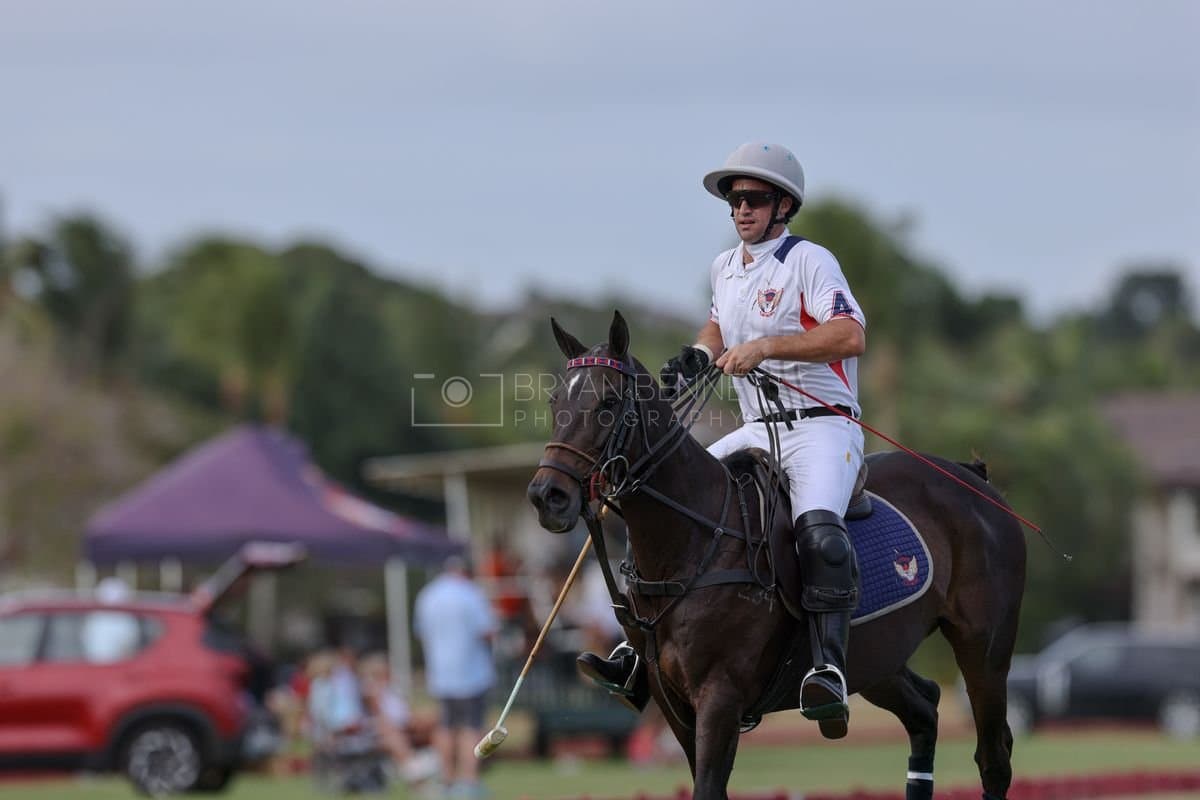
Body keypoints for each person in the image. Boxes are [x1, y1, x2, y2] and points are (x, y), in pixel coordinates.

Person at [576, 141, 866, 740]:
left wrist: (767, 347)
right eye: (734, 200)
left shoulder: (810, 261)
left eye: (755, 199)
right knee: (654, 497)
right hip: (756, 426)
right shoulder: (725, 267)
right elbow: (719, 322)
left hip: (822, 425)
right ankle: (637, 652)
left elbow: (848, 334)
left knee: (819, 532)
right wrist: (698, 354)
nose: (741, 209)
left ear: (784, 204)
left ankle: (829, 670)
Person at [414, 556, 497, 798]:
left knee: (446, 726)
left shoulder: (427, 595)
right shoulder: (471, 594)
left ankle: (447, 779)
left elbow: (421, 633)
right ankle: (469, 781)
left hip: (441, 673)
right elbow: (487, 631)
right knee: (471, 726)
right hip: (471, 672)